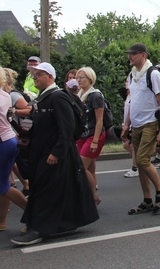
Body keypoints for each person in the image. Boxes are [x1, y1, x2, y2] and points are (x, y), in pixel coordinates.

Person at [12, 62, 98, 246]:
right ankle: (62, 223)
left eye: (38, 75)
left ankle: (39, 229)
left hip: (54, 154)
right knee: (55, 189)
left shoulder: (58, 97)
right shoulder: (44, 98)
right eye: (33, 75)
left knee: (46, 190)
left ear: (50, 77)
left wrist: (57, 152)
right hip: (42, 151)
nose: (34, 78)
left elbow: (66, 128)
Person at [121, 43, 160, 215]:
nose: (130, 56)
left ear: (143, 55)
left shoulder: (153, 74)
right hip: (136, 124)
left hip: (150, 123)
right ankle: (147, 200)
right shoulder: (133, 75)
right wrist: (126, 124)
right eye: (129, 53)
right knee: (141, 165)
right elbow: (132, 101)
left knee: (142, 160)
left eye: (134, 54)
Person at [0, 67, 28, 232]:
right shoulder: (4, 95)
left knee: (3, 186)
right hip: (9, 140)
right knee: (3, 183)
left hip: (4, 142)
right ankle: (2, 222)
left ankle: (33, 214)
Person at [76, 67, 106, 206]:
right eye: (78, 77)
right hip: (82, 135)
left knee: (81, 165)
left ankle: (93, 196)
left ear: (90, 79)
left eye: (82, 77)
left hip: (94, 135)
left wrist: (95, 141)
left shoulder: (96, 96)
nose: (79, 80)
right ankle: (92, 194)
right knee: (90, 167)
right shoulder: (80, 94)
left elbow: (99, 120)